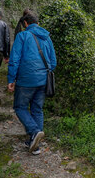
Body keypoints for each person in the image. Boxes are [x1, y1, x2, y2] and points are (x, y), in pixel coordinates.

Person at [7, 13, 57, 154]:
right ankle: (35, 145)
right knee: (37, 109)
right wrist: (42, 72)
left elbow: (14, 59)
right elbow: (53, 62)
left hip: (26, 80)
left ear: (26, 24)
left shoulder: (22, 36)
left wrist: (11, 79)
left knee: (20, 107)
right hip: (43, 80)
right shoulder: (47, 37)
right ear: (37, 23)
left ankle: (34, 132)